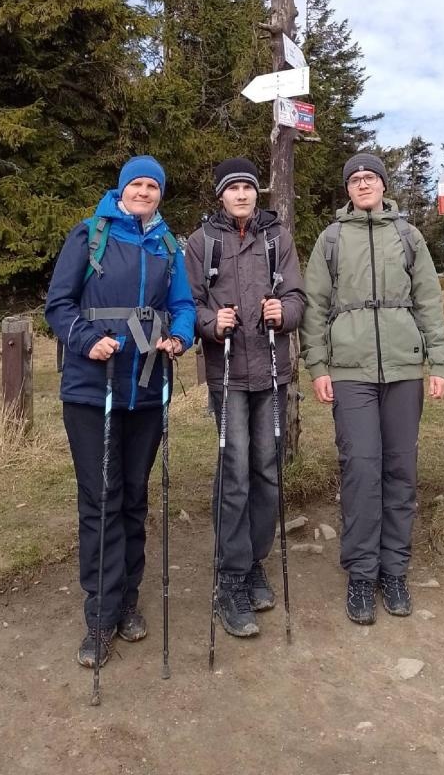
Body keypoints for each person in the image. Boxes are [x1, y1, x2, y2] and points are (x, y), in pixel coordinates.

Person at [45, 156, 196, 668]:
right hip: (93, 390)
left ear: (160, 193)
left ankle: (128, 599)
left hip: (147, 390)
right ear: (122, 188)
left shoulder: (168, 245)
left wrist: (180, 336)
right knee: (101, 498)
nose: (144, 191)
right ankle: (101, 614)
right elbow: (58, 305)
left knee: (133, 497)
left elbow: (183, 306)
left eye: (153, 185)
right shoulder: (90, 235)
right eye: (137, 183)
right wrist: (88, 340)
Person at [299, 152, 444, 625]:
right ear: (347, 189)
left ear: (384, 185)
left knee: (401, 470)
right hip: (350, 371)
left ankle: (395, 570)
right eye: (355, 179)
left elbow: (429, 301)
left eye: (370, 177)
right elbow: (314, 307)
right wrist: (317, 366)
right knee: (361, 470)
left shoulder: (408, 237)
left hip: (404, 369)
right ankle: (362, 574)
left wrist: (439, 361)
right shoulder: (331, 239)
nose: (363, 184)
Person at [184, 158, 306, 638]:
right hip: (228, 374)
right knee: (234, 474)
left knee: (267, 471)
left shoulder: (277, 238)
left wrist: (284, 312)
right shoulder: (202, 243)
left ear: (258, 194)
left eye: (248, 188)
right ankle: (230, 576)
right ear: (220, 195)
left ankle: (254, 562)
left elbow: (297, 297)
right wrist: (212, 324)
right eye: (232, 188)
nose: (241, 194)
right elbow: (189, 305)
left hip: (272, 372)